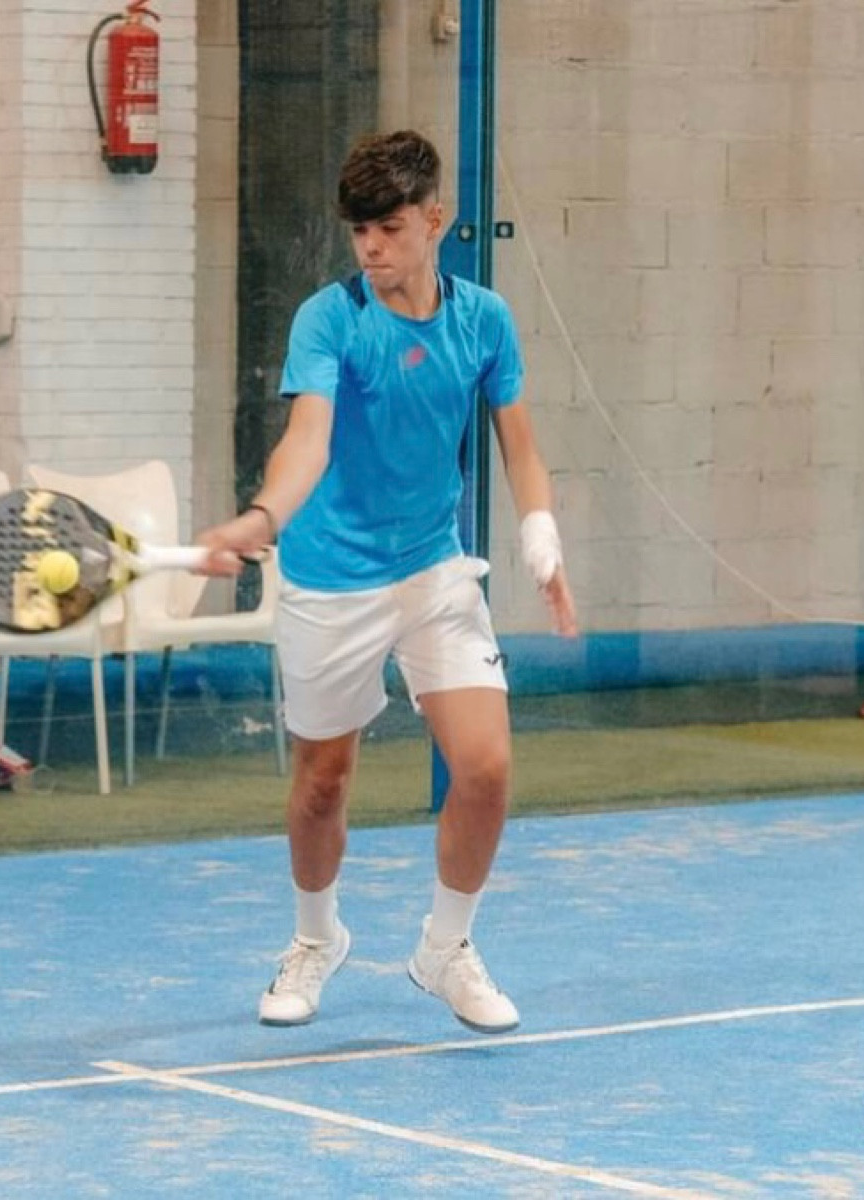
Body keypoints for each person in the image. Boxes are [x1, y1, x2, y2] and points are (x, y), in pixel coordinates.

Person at [196, 131, 579, 1034]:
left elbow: (520, 446)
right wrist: (261, 519)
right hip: (331, 576)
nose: (370, 248)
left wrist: (541, 537)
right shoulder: (329, 319)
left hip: (434, 569)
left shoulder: (483, 319)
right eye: (359, 232)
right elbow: (308, 440)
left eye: (390, 229)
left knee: (485, 766)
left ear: (434, 220)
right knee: (323, 784)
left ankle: (446, 948)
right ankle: (315, 938)